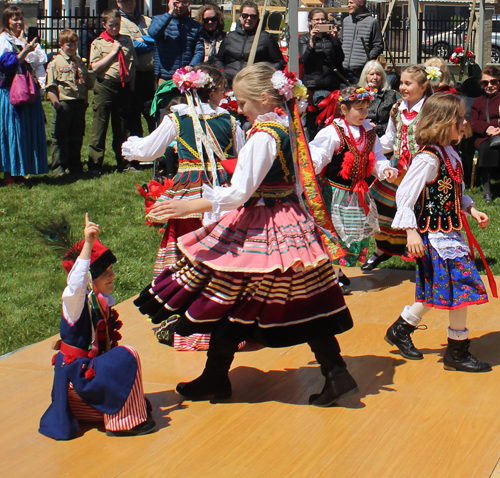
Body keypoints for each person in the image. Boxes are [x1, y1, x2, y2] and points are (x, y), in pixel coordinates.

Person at [133, 63, 358, 407]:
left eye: (241, 100)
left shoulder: (265, 134)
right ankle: (218, 375)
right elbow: (298, 180)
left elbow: (239, 191)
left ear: (266, 99)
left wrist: (187, 204)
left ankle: (334, 371)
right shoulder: (287, 126)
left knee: (245, 294)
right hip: (285, 217)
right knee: (248, 296)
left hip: (263, 222)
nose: (236, 106)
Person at [122, 64, 245, 351]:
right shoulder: (230, 120)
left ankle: (185, 319)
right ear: (212, 91)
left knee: (186, 254)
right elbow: (239, 156)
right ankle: (223, 317)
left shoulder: (177, 118)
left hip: (189, 193)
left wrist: (129, 145)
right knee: (220, 252)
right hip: (222, 191)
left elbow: (148, 151)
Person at [385, 94, 492, 373]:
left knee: (440, 287)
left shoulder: (450, 152)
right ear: (443, 122)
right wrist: (411, 232)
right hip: (434, 236)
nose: (465, 122)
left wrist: (471, 209)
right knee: (460, 287)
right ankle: (457, 351)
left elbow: (456, 192)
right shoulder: (428, 158)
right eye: (460, 117)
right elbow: (405, 196)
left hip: (451, 232)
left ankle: (400, 329)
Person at [39, 213, 157, 440]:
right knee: (127, 355)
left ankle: (112, 410)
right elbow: (76, 283)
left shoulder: (99, 301)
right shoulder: (76, 303)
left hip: (88, 376)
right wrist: (88, 245)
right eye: (105, 272)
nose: (112, 275)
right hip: (77, 378)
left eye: (111, 269)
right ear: (89, 279)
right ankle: (121, 423)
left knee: (137, 396)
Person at [309, 86, 396, 290]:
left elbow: (376, 158)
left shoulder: (368, 131)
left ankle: (336, 272)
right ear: (344, 109)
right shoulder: (333, 131)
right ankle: (333, 276)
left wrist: (385, 170)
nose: (364, 113)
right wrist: (313, 163)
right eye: (359, 108)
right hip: (334, 193)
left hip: (358, 193)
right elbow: (320, 153)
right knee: (336, 234)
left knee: (352, 234)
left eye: (366, 109)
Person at [363, 65, 433, 271]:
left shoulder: (430, 109)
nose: (402, 87)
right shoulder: (397, 109)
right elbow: (391, 139)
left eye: (408, 83)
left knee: (420, 209)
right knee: (381, 207)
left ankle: (419, 251)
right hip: (398, 167)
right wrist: (369, 146)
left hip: (422, 168)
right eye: (401, 82)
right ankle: (382, 248)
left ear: (423, 87)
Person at [0, 5, 48, 186]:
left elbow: (40, 61)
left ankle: (21, 170)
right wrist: (25, 51)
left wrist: (31, 50)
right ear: (7, 22)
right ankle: (9, 173)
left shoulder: (24, 39)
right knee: (12, 130)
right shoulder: (3, 40)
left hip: (28, 90)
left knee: (25, 130)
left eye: (20, 18)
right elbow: (7, 65)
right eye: (14, 19)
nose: (19, 22)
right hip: (11, 92)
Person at [88, 9, 137, 175]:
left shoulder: (127, 40)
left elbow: (132, 64)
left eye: (118, 24)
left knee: (122, 126)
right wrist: (113, 52)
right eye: (111, 25)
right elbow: (95, 67)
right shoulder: (98, 43)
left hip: (123, 87)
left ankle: (124, 162)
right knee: (100, 126)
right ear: (104, 25)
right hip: (105, 86)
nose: (115, 28)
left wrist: (131, 85)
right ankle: (95, 164)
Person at [46, 29, 94, 177]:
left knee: (77, 136)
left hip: (79, 104)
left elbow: (86, 84)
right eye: (69, 45)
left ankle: (75, 166)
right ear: (60, 45)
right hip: (64, 103)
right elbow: (51, 86)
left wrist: (85, 101)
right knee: (60, 137)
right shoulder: (55, 63)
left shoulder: (78, 62)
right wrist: (57, 105)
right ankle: (59, 167)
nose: (73, 48)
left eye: (75, 44)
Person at [215, 1, 286, 88]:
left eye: (253, 16)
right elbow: (219, 60)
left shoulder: (266, 38)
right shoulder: (229, 37)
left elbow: (280, 62)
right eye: (245, 15)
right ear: (240, 17)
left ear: (257, 19)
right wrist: (223, 72)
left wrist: (263, 74)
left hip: (254, 85)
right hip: (230, 83)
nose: (249, 19)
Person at [299, 8, 345, 139]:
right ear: (310, 22)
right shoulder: (304, 38)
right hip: (312, 85)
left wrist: (335, 41)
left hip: (331, 85)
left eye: (323, 19)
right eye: (317, 19)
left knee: (330, 122)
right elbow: (304, 60)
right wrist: (312, 41)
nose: (320, 22)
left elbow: (340, 59)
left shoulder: (331, 38)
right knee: (313, 122)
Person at [117, 0, 156, 138]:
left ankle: (157, 154)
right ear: (118, 2)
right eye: (124, 0)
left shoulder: (147, 20)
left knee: (153, 115)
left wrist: (143, 40)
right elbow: (130, 47)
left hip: (151, 76)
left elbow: (159, 40)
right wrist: (151, 42)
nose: (129, 2)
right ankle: (134, 156)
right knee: (133, 118)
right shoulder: (119, 22)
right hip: (133, 76)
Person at [149, 0, 204, 86]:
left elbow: (199, 50)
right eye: (177, 2)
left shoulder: (195, 25)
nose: (180, 6)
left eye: (184, 2)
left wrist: (192, 65)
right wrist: (169, 13)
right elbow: (153, 33)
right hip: (166, 75)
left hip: (187, 76)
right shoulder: (159, 19)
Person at [469, 65, 500, 203]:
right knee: (486, 147)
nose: (489, 85)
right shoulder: (478, 102)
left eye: (493, 82)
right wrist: (487, 128)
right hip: (485, 136)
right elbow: (472, 122)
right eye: (485, 82)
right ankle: (486, 188)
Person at [340, 0, 384, 82]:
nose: (348, 5)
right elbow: (340, 41)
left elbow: (378, 45)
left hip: (360, 73)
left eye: (351, 2)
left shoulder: (372, 22)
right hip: (343, 71)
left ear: (359, 4)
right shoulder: (346, 21)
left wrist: (367, 61)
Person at [359, 60, 397, 137]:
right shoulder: (359, 95)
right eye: (371, 74)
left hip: (382, 135)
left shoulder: (389, 95)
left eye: (378, 74)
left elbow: (393, 121)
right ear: (365, 76)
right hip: (362, 134)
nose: (375, 77)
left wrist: (377, 128)